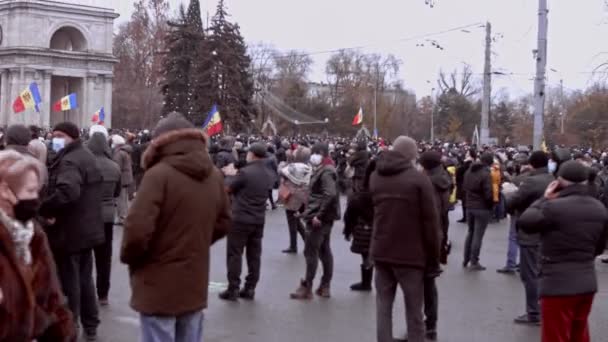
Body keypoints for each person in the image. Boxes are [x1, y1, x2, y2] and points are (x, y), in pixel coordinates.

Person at [121, 112, 231, 342]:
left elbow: (137, 230)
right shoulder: (214, 176)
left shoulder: (158, 175)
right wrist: (196, 241)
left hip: (157, 279)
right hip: (194, 277)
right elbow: (223, 222)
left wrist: (133, 257)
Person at [518, 160, 608, 342]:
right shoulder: (600, 208)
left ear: (559, 181)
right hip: (587, 282)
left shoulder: (553, 207)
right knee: (579, 334)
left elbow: (526, 222)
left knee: (555, 335)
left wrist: (544, 198)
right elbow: (599, 247)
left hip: (557, 284)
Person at [369, 136, 441, 342]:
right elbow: (430, 224)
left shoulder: (376, 176)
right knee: (414, 312)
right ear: (411, 156)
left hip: (382, 250)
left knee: (383, 307)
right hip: (411, 255)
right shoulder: (419, 180)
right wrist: (433, 260)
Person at [0, 150, 76, 341]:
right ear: (5, 190)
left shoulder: (34, 234)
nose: (36, 199)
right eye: (30, 191)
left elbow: (52, 297)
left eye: (37, 190)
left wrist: (62, 330)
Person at [39, 122, 105, 341]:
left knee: (70, 282)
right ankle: (91, 324)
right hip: (86, 230)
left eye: (58, 136)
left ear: (71, 136)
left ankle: (71, 324)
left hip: (69, 231)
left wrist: (44, 207)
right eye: (53, 136)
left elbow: (68, 192)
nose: (54, 140)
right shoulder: (86, 156)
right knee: (85, 279)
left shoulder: (69, 161)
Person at [218, 142, 275, 301]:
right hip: (258, 218)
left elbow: (227, 189)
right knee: (254, 255)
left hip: (240, 218)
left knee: (235, 254)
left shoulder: (245, 172)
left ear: (253, 154)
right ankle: (250, 288)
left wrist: (230, 175)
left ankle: (233, 288)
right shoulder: (268, 172)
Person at [505, 151, 553, 325]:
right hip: (549, 233)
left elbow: (512, 202)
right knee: (543, 272)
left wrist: (508, 197)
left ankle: (533, 312)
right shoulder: (553, 179)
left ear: (531, 164)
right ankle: (544, 308)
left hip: (530, 231)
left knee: (529, 274)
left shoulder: (531, 181)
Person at [290, 142, 340, 300]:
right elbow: (318, 195)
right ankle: (325, 286)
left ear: (321, 154)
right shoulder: (326, 169)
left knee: (311, 252)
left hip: (319, 218)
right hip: (321, 216)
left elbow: (329, 194)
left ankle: (307, 287)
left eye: (314, 153)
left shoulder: (326, 171)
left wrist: (318, 214)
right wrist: (306, 211)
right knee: (324, 250)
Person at [419, 150, 452, 340]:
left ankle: (424, 325)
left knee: (422, 282)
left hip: (428, 235)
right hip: (439, 232)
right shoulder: (443, 177)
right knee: (429, 282)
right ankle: (430, 324)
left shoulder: (427, 183)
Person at [86, 129, 121, 306]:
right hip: (107, 216)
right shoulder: (114, 166)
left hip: (87, 214)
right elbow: (117, 192)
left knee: (85, 256)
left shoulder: (86, 165)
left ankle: (85, 291)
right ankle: (103, 294)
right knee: (104, 257)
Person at [343, 159, 376, 291]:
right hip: (382, 225)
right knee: (368, 254)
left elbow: (352, 210)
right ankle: (366, 282)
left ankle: (366, 282)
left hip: (367, 226)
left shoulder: (364, 192)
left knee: (367, 253)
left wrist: (348, 229)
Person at [462, 152, 494, 271]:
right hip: (482, 207)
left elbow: (464, 187)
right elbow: (488, 193)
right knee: (478, 235)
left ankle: (466, 259)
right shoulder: (486, 174)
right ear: (489, 163)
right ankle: (474, 261)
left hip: (470, 205)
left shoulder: (469, 171)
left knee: (470, 232)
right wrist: (491, 206)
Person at [279, 146, 311, 254]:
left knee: (292, 222)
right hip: (303, 196)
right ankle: (307, 242)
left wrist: (288, 159)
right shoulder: (309, 168)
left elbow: (281, 171)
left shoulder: (292, 167)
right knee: (297, 221)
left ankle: (293, 246)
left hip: (292, 196)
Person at [111, 134, 133, 225]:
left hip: (122, 179)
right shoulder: (125, 151)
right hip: (126, 177)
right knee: (124, 198)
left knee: (120, 198)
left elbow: (117, 167)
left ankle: (122, 217)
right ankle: (124, 215)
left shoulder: (119, 153)